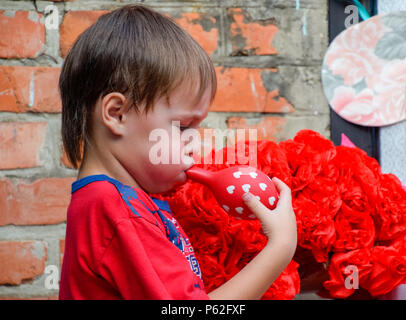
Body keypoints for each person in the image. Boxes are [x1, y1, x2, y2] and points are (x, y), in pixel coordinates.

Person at [58, 4, 297, 300]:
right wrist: (280, 249)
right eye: (183, 127)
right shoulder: (117, 211)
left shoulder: (125, 201)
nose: (194, 143)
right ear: (117, 114)